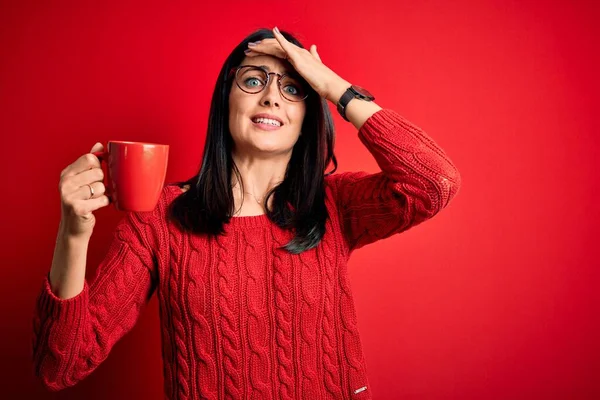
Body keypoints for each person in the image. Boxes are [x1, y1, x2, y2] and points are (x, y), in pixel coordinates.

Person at [32, 27, 461, 399]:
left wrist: (334, 88)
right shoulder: (157, 219)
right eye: (254, 80)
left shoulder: (335, 204)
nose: (272, 96)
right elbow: (62, 366)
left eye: (293, 88)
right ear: (227, 101)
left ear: (308, 115)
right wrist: (73, 233)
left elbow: (434, 182)